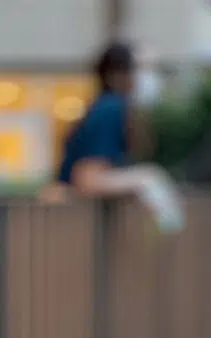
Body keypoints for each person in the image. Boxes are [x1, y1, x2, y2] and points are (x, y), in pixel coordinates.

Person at [53, 41, 183, 231]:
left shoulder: (113, 107)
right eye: (143, 68)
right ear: (117, 74)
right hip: (70, 226)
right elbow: (86, 178)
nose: (149, 77)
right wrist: (143, 182)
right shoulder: (111, 108)